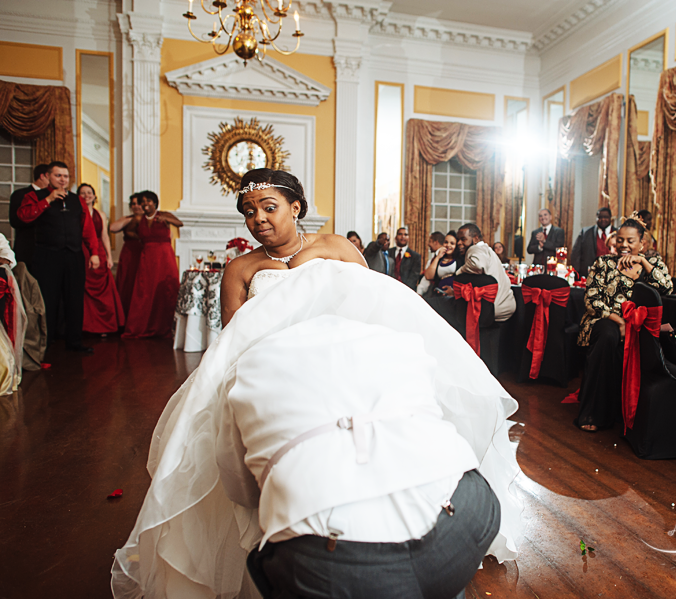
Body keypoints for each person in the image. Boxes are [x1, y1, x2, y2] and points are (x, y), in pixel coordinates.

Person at [112, 168, 520, 599]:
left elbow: (379, 307)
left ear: (296, 207)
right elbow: (235, 341)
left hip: (348, 367)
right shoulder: (240, 269)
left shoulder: (336, 247)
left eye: (269, 208)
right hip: (278, 379)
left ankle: (394, 516)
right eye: (249, 213)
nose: (259, 220)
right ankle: (293, 529)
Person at [575, 215, 673, 431]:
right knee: (608, 335)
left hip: (639, 326)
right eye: (620, 240)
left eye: (630, 241)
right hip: (603, 319)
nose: (624, 245)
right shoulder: (604, 263)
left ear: (642, 244)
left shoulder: (653, 264)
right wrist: (619, 321)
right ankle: (592, 413)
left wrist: (643, 262)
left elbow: (667, 288)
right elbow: (591, 300)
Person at [17, 161, 100, 353]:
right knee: (47, 299)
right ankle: (45, 343)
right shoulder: (34, 196)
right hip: (47, 255)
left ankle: (74, 342)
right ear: (47, 176)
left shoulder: (77, 200)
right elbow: (23, 216)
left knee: (74, 299)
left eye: (66, 176)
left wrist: (94, 252)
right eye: (58, 176)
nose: (63, 180)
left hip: (73, 255)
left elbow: (87, 228)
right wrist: (48, 199)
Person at [122, 191, 182, 338]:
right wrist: (142, 239)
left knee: (165, 291)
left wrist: (165, 218)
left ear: (155, 202)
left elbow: (180, 223)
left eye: (148, 201)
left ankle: (166, 327)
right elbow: (127, 232)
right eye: (143, 201)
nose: (145, 204)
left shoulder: (164, 215)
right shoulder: (138, 219)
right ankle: (142, 326)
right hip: (147, 257)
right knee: (145, 291)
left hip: (164, 258)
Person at [78, 184, 124, 335]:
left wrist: (109, 257)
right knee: (83, 287)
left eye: (89, 192)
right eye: (83, 193)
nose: (86, 195)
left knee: (103, 289)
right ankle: (86, 326)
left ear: (94, 195)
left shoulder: (101, 214)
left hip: (99, 251)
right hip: (81, 251)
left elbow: (105, 235)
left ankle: (105, 326)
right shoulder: (76, 212)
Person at [454, 223, 515, 322]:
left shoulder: (476, 248)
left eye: (463, 239)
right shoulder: (487, 250)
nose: (458, 243)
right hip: (506, 306)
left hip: (493, 309)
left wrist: (459, 272)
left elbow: (477, 265)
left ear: (476, 238)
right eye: (458, 239)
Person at [108, 194, 143, 317]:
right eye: (133, 204)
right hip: (129, 253)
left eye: (138, 203)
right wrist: (133, 219)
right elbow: (112, 228)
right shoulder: (127, 218)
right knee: (127, 283)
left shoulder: (151, 219)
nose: (136, 206)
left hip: (144, 253)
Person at [9, 163, 50, 267]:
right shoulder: (20, 194)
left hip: (49, 251)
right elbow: (15, 221)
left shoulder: (52, 196)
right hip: (27, 248)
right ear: (43, 176)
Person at [571, 207, 616, 278]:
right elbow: (575, 254)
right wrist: (577, 274)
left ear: (610, 218)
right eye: (600, 217)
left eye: (606, 217)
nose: (603, 219)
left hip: (612, 274)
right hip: (589, 275)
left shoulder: (618, 233)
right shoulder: (585, 233)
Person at [422, 230, 458, 296]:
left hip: (452, 297)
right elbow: (428, 276)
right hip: (437, 295)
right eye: (446, 242)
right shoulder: (439, 258)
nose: (448, 245)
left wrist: (453, 292)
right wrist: (438, 257)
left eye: (452, 243)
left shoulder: (459, 260)